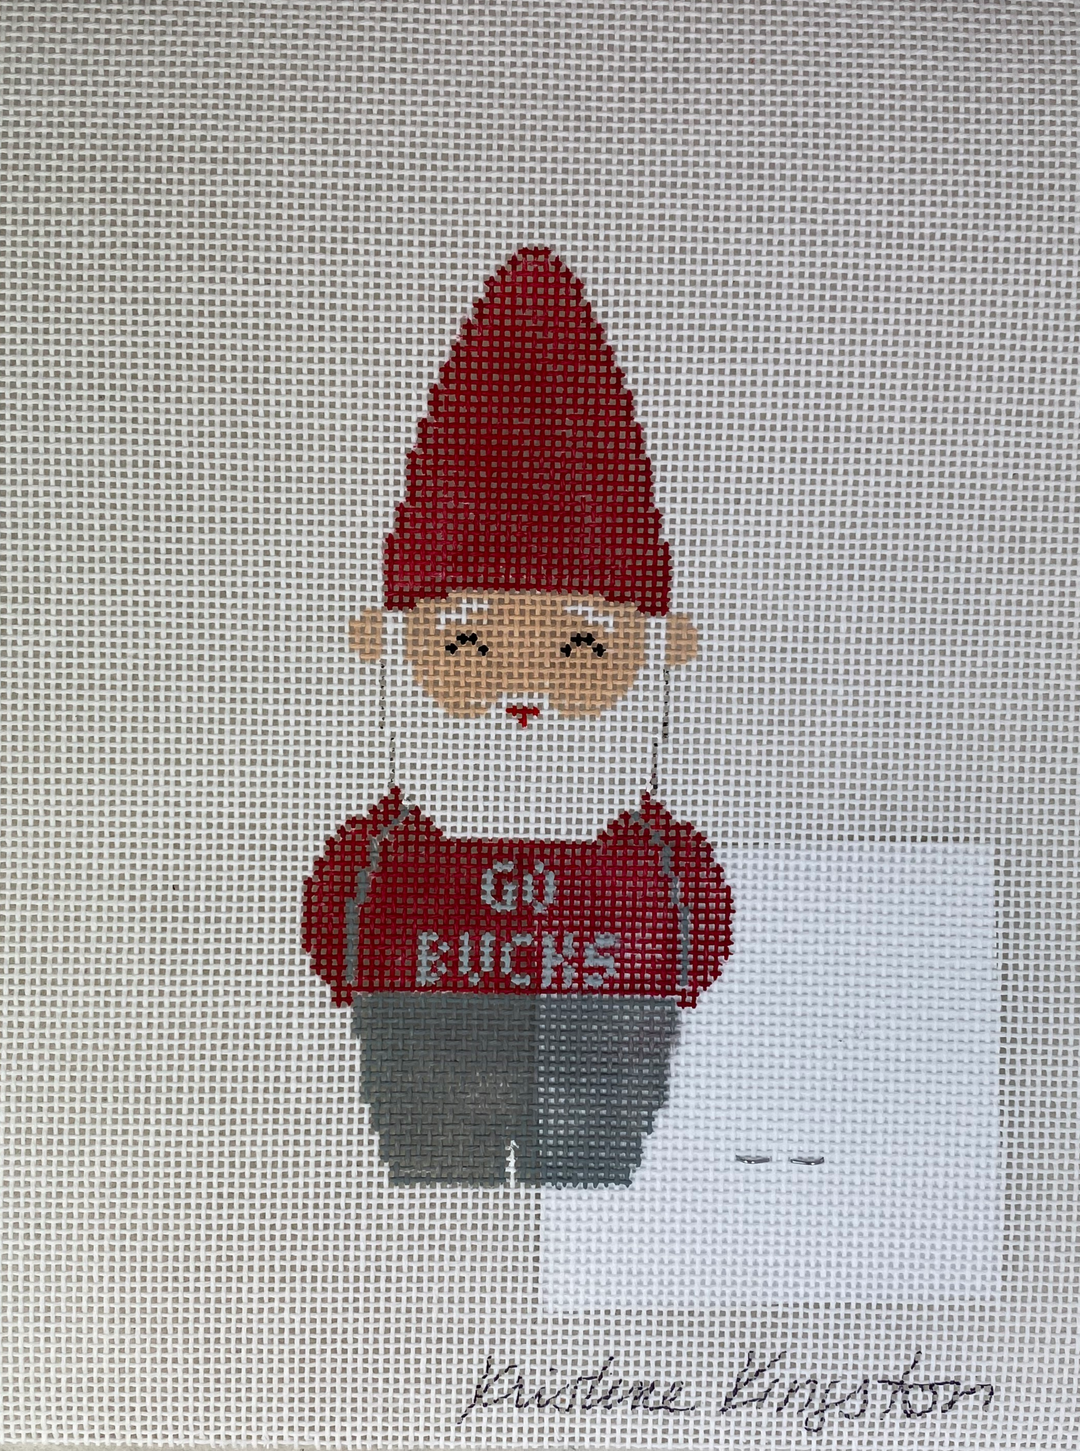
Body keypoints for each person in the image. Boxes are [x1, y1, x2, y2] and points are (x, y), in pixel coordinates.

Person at [303, 247, 733, 1188]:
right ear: (384, 643)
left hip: (602, 1050)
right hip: (427, 1048)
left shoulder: (652, 854)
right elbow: (333, 920)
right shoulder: (384, 848)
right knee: (434, 1178)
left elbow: (701, 929)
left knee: (593, 1178)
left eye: (580, 647)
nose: (523, 690)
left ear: (664, 648)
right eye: (469, 646)